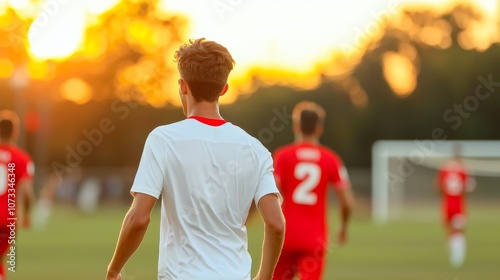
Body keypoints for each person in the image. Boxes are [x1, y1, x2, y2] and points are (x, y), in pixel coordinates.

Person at [106, 38, 285, 280]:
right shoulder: (256, 149)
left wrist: (114, 269)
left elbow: (139, 218)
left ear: (182, 86)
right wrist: (264, 277)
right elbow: (275, 224)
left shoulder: (163, 139)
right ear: (223, 89)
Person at [272, 102, 354, 280]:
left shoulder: (283, 156)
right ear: (319, 129)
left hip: (285, 235)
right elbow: (347, 203)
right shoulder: (331, 159)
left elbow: (272, 194)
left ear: (296, 126)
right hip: (315, 239)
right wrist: (343, 227)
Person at [0, 110, 34, 280]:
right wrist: (27, 215)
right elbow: (27, 192)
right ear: (15, 132)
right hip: (7, 220)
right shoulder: (21, 158)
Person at [436, 144, 475, 268]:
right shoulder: (463, 169)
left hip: (447, 203)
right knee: (457, 231)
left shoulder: (445, 168)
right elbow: (470, 187)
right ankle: (457, 257)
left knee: (452, 230)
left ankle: (456, 256)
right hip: (457, 203)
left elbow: (437, 186)